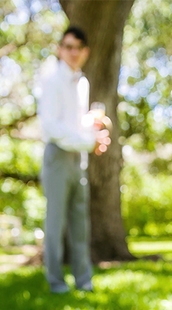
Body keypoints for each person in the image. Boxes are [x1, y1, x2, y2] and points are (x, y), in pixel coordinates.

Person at [36, 25, 111, 294]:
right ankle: (56, 282)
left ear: (85, 52)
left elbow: (75, 124)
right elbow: (50, 126)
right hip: (57, 155)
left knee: (80, 223)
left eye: (78, 48)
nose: (73, 52)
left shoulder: (83, 83)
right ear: (60, 49)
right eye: (68, 47)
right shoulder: (51, 78)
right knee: (55, 223)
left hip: (79, 158)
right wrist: (89, 142)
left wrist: (93, 130)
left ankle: (83, 280)